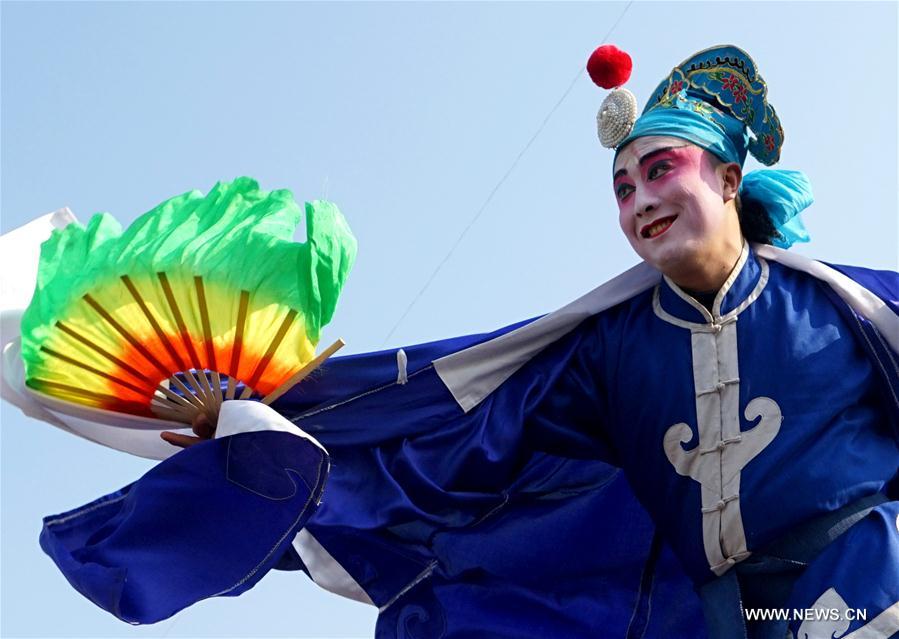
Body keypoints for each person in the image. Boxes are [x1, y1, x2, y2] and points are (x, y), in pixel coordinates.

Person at [14, 44, 899, 638]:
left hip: (871, 586)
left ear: (728, 175)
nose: (638, 202)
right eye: (621, 188)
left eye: (658, 170)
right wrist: (259, 427)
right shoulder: (604, 352)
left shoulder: (854, 308)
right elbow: (444, 446)